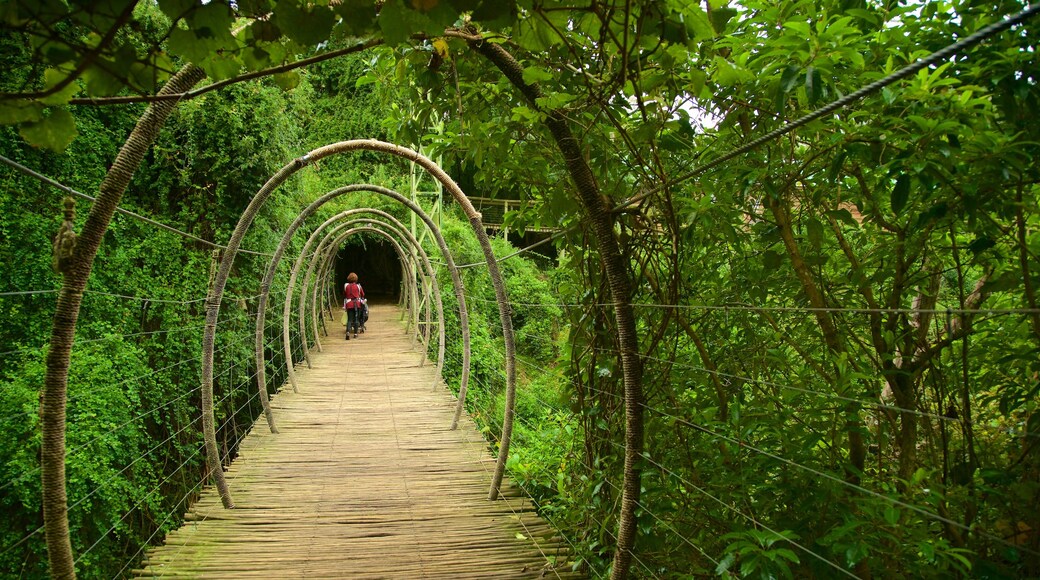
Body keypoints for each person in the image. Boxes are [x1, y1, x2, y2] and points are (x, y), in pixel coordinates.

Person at [343, 272, 366, 340]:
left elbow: (344, 294)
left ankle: (347, 332)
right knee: (356, 319)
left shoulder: (346, 286)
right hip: (357, 304)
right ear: (356, 279)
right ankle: (355, 334)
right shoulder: (358, 286)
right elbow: (362, 294)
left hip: (349, 304)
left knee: (349, 319)